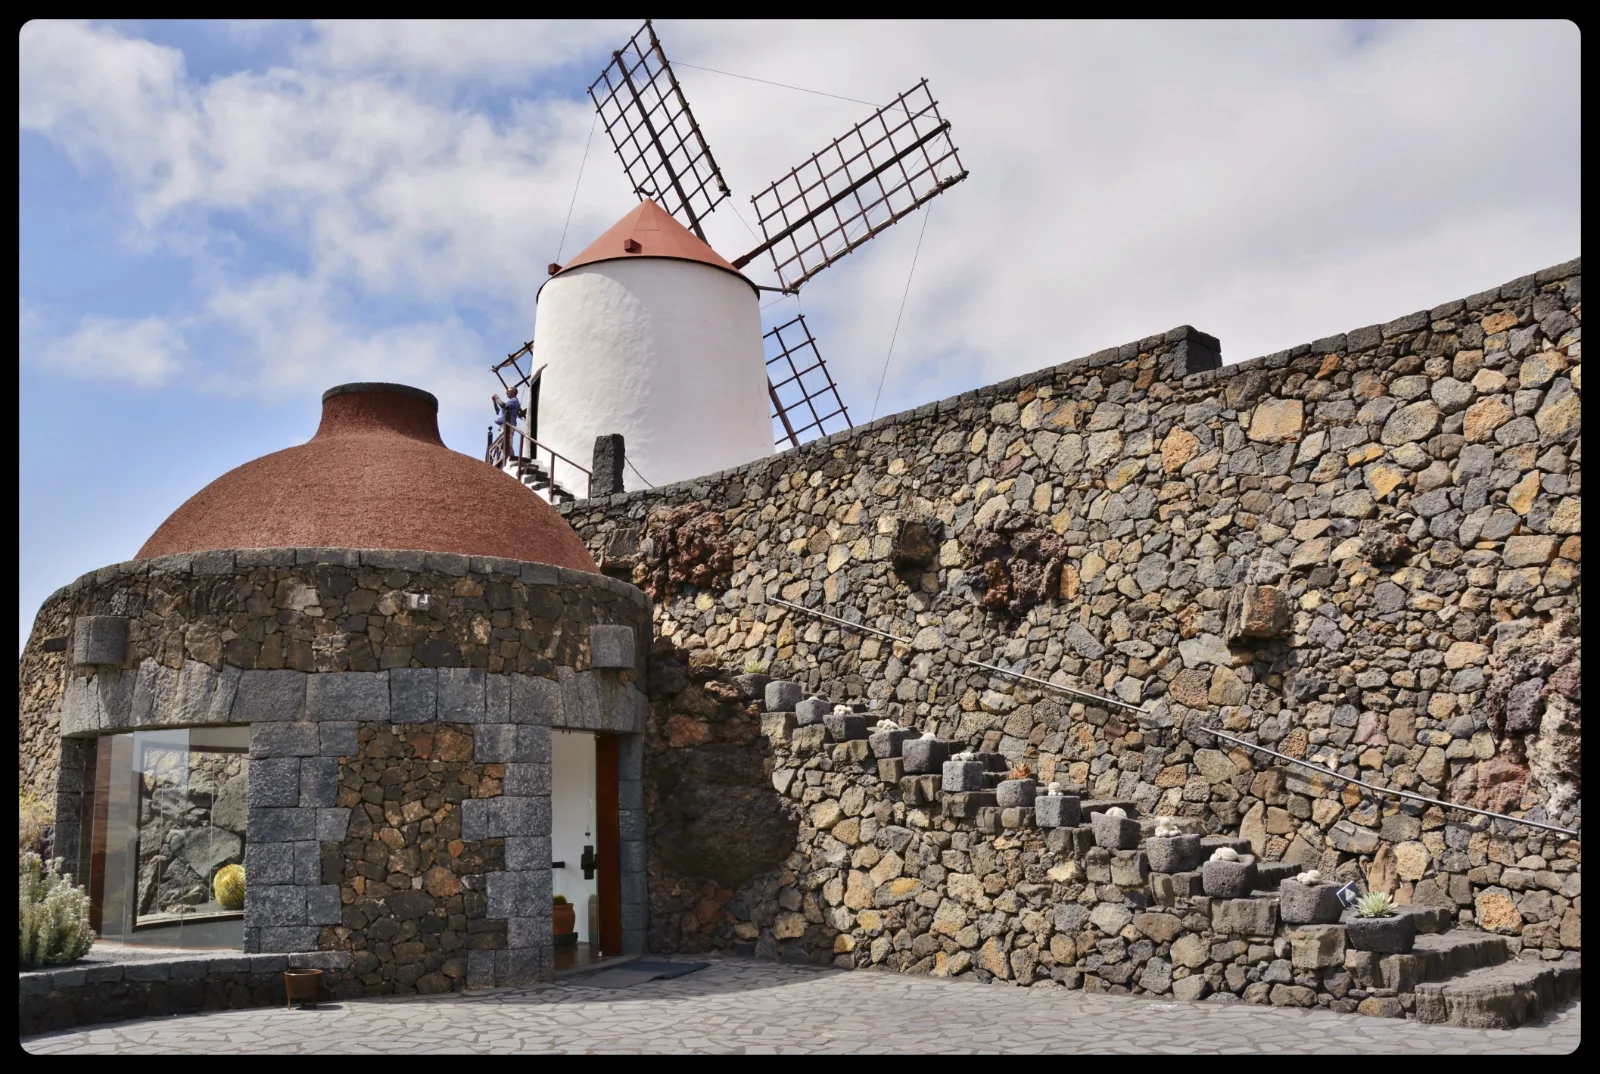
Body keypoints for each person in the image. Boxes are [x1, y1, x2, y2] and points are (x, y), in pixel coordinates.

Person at [493, 386, 524, 459]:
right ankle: (508, 457)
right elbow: (498, 412)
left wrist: (497, 397)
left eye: (508, 391)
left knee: (507, 442)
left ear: (513, 392)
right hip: (505, 424)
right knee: (503, 442)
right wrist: (494, 402)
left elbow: (502, 405)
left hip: (509, 425)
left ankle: (510, 458)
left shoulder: (514, 401)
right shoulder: (511, 402)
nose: (507, 392)